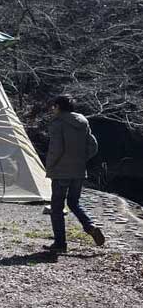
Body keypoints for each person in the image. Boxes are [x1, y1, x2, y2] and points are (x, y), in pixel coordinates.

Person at [44, 95, 105, 253]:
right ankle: (90, 225)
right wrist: (80, 160)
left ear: (58, 106)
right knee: (73, 202)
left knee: (57, 207)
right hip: (78, 171)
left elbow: (56, 149)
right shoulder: (83, 122)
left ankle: (60, 244)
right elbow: (93, 146)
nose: (52, 109)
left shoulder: (58, 123)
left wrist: (49, 166)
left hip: (60, 172)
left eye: (54, 106)